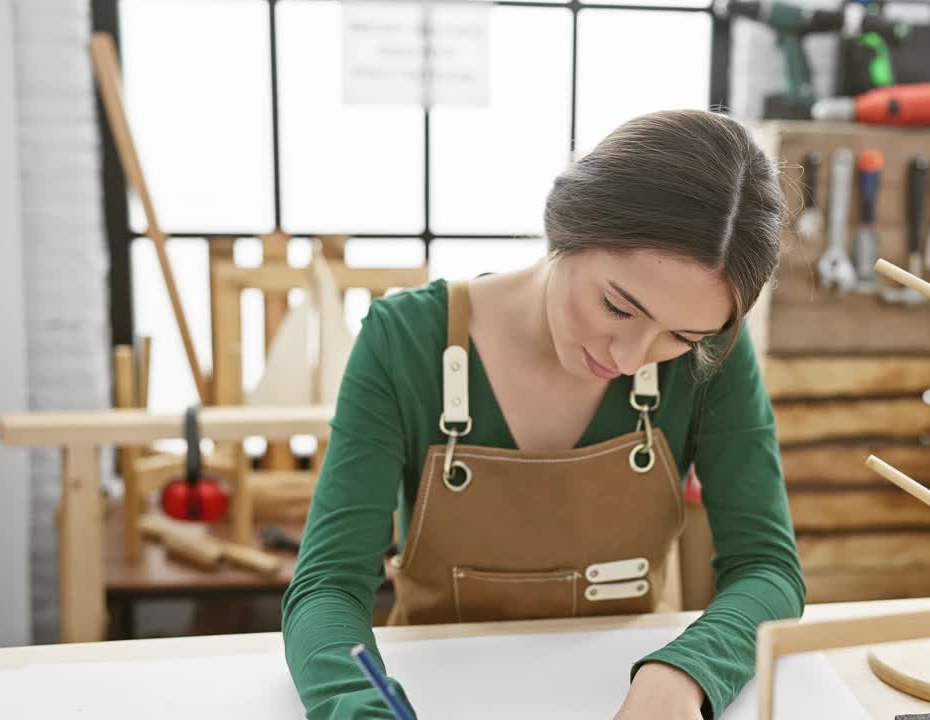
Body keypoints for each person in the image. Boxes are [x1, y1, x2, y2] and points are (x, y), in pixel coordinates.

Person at [282, 109, 805, 720]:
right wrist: (356, 705)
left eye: (680, 337)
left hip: (624, 687)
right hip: (434, 687)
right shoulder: (404, 342)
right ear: (568, 226)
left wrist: (686, 672)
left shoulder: (714, 358)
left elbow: (767, 568)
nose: (632, 355)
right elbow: (326, 586)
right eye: (617, 306)